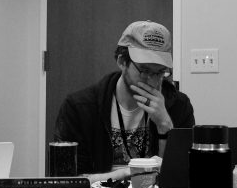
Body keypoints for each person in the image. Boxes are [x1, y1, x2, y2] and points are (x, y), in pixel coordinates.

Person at [53, 20, 194, 176]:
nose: (153, 81)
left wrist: (165, 127)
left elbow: (181, 178)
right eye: (145, 71)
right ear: (122, 61)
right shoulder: (79, 107)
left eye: (160, 72)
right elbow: (69, 183)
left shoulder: (178, 106)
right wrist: (125, 174)